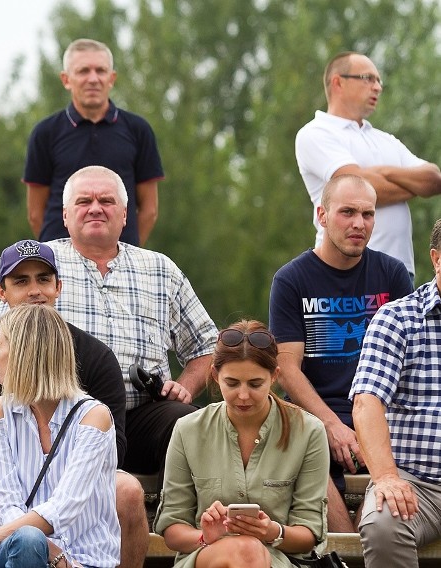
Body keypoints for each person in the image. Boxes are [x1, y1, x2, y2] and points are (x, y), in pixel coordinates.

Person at [0, 239, 149, 568]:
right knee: (19, 534)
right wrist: (43, 539)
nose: (34, 290)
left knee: (127, 489)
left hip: (80, 490)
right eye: (21, 280)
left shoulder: (96, 362)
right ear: (1, 292)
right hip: (17, 509)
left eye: (43, 279)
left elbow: (110, 449)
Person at [30, 165, 217, 481]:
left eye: (106, 200)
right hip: (61, 415)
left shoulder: (160, 269)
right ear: (64, 215)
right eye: (83, 201)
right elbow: (8, 342)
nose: (95, 208)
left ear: (125, 214)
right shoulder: (40, 264)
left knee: (189, 422)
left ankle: (187, 523)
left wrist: (184, 388)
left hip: (142, 415)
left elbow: (208, 346)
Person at [269, 174, 412, 531]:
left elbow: (408, 364)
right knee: (307, 453)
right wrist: (332, 425)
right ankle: (346, 552)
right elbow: (287, 369)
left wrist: (370, 427)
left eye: (368, 214)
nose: (359, 224)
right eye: (347, 212)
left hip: (381, 410)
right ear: (322, 214)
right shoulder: (291, 279)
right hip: (316, 414)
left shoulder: (391, 274)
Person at [0, 304, 119, 568]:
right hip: (19, 552)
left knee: (28, 539)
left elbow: (64, 507)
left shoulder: (94, 416)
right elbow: (4, 502)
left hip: (84, 560)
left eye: (0, 347)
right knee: (27, 541)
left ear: (24, 355)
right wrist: (49, 552)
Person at [155, 320, 329, 568]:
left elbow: (309, 534)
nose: (243, 395)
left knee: (248, 551)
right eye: (232, 383)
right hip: (206, 555)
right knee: (245, 550)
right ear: (215, 376)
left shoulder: (309, 431)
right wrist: (206, 536)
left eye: (255, 384)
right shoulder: (187, 429)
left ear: (275, 376)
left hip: (280, 559)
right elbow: (172, 527)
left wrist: (271, 531)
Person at [295, 51, 441, 277]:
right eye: (368, 78)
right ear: (338, 82)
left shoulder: (385, 139)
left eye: (379, 81)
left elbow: (433, 180)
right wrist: (411, 185)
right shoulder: (315, 133)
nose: (377, 87)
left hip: (399, 272)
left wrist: (380, 172)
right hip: (346, 271)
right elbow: (357, 194)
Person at [349, 218, 441, 567]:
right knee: (383, 525)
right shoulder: (397, 318)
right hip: (414, 482)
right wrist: (386, 477)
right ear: (436, 258)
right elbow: (367, 403)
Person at [24, 38, 163, 246]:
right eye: (83, 71)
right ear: (66, 79)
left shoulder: (138, 130)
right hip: (60, 261)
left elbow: (149, 209)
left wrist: (127, 253)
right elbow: (35, 213)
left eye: (100, 70)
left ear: (112, 77)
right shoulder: (45, 133)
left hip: (122, 262)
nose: (93, 79)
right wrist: (60, 253)